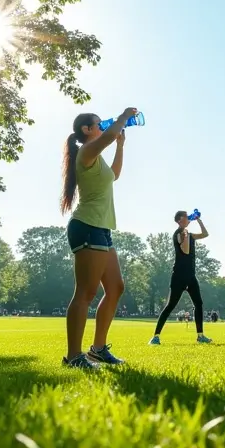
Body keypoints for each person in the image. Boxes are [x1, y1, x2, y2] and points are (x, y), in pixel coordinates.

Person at [59, 108, 138, 369]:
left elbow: (114, 175)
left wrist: (121, 145)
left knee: (115, 287)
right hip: (87, 226)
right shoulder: (87, 151)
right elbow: (107, 136)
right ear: (87, 130)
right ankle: (73, 357)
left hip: (102, 229)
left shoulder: (98, 157)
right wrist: (123, 117)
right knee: (86, 292)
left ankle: (98, 349)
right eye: (98, 123)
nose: (102, 126)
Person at [150, 210, 212, 345]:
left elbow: (205, 234)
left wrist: (199, 220)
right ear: (179, 220)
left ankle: (200, 336)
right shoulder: (178, 234)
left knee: (199, 304)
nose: (188, 217)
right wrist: (185, 237)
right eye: (186, 216)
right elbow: (185, 251)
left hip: (191, 276)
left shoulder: (188, 234)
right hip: (178, 276)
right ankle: (155, 337)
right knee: (170, 306)